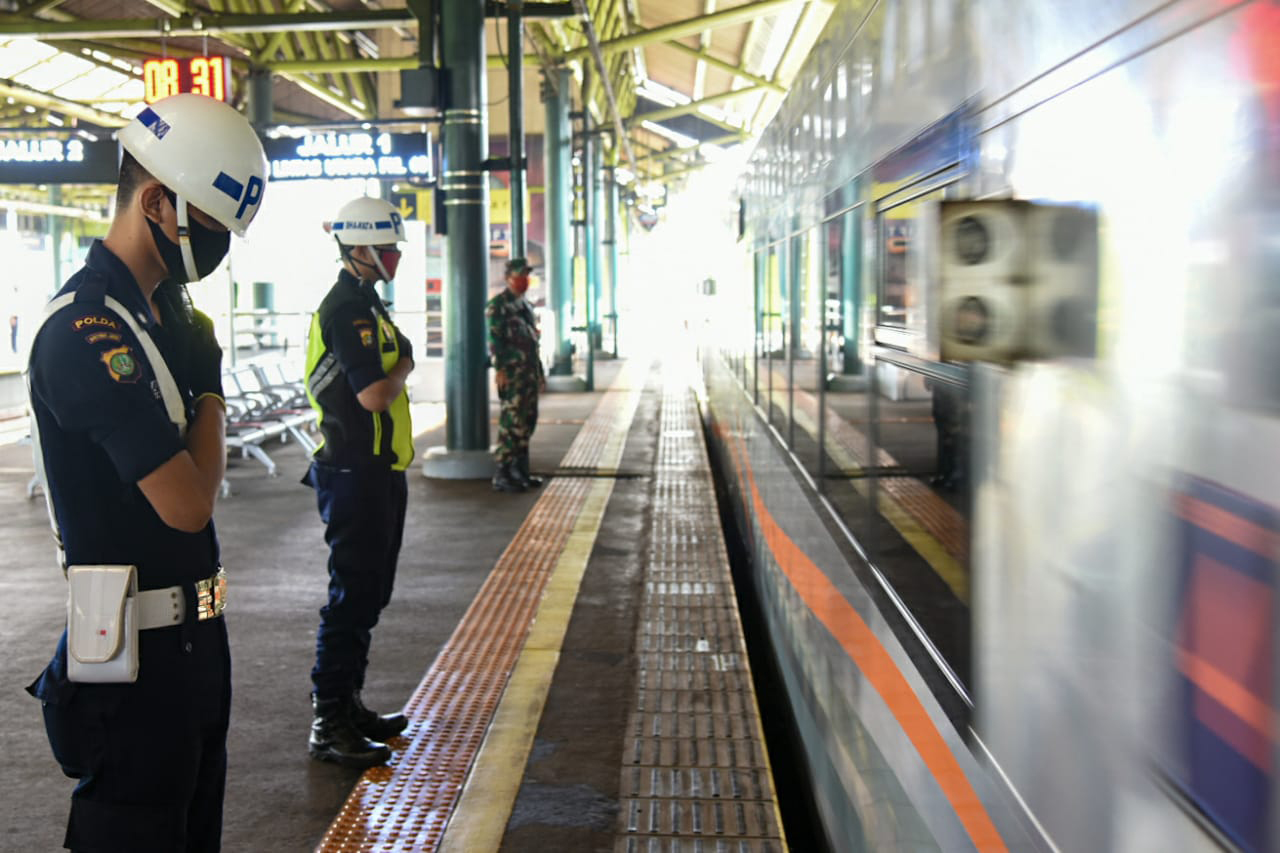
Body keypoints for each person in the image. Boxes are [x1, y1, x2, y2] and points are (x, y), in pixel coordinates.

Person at [25, 93, 267, 851]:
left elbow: (202, 476)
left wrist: (202, 392)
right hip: (128, 661)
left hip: (193, 648)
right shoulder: (85, 330)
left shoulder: (160, 319)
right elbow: (190, 501)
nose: (220, 242)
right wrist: (208, 391)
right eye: (215, 221)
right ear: (158, 200)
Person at [303, 196, 415, 767]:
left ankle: (349, 705)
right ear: (360, 249)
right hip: (353, 472)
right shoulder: (346, 308)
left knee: (370, 592)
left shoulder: (368, 302)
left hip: (376, 470)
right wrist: (403, 366)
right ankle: (329, 721)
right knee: (350, 595)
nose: (395, 256)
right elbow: (373, 394)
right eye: (387, 248)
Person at [487, 257, 546, 492]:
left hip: (528, 373)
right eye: (519, 276)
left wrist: (539, 372)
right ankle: (503, 472)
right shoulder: (498, 306)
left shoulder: (525, 306)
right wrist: (500, 370)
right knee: (512, 422)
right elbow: (495, 342)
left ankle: (520, 470)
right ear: (508, 278)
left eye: (526, 276)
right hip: (512, 374)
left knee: (528, 421)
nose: (524, 281)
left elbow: (533, 343)